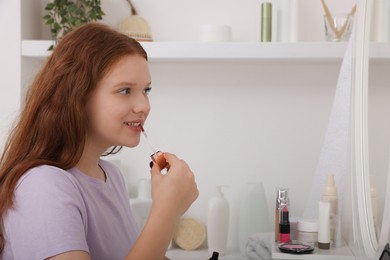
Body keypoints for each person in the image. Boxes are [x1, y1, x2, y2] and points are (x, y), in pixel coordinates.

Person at [0, 22, 198, 259]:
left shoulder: (111, 176)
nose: (144, 106)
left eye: (146, 90)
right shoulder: (42, 186)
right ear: (78, 96)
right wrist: (166, 212)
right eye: (125, 90)